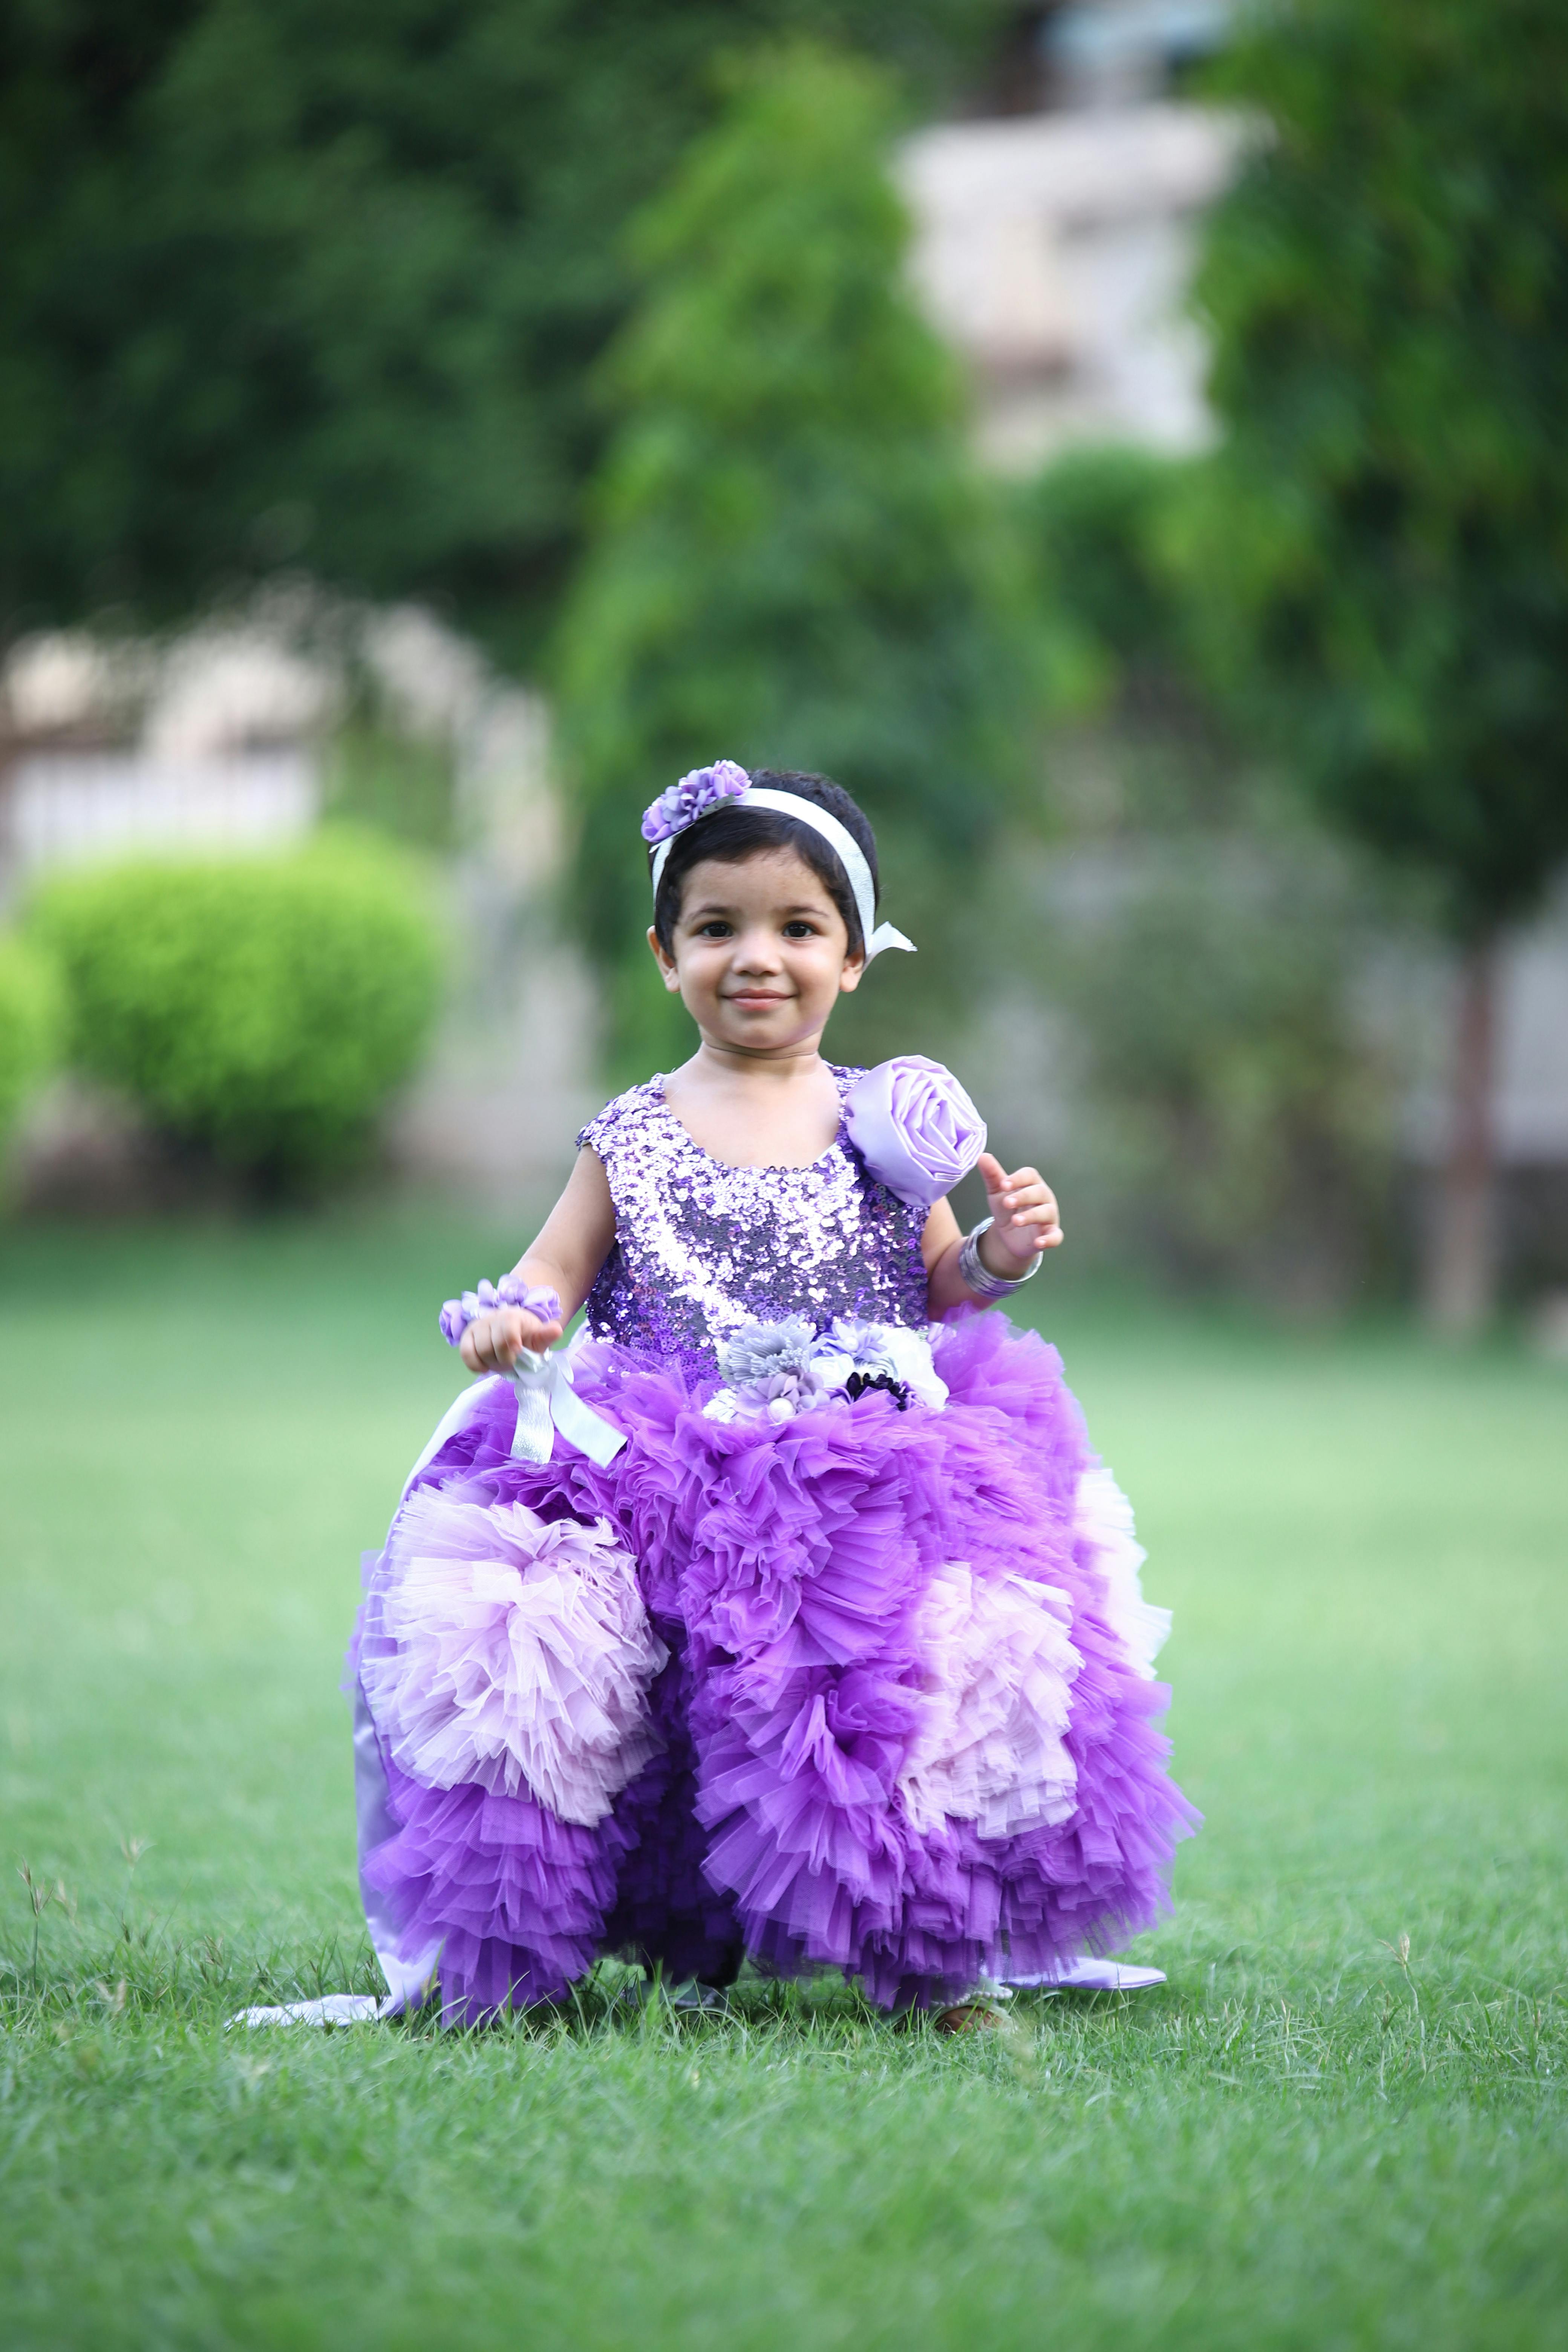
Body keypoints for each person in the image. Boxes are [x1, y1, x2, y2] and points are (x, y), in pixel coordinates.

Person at [347, 762, 1197, 2029]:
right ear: (664, 952)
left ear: (853, 959)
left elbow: (937, 1285)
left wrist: (999, 1258)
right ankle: (540, 1945)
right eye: (717, 928)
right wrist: (516, 1315)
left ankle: (928, 1954)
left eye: (799, 929)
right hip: (661, 1454)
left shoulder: (884, 1124)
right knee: (545, 1626)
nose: (758, 957)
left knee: (907, 1664)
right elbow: (554, 1270)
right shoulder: (628, 1131)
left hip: (856, 1452)